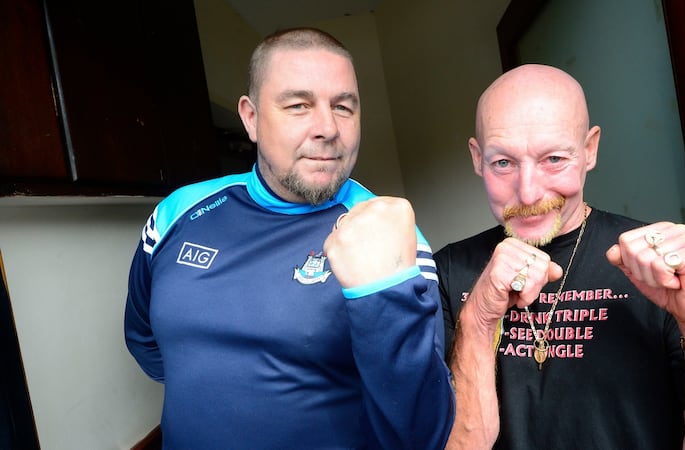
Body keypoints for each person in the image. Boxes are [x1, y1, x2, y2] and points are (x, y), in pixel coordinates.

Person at [124, 27, 454, 449]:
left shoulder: (390, 232)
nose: (328, 128)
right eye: (299, 105)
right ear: (251, 118)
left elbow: (423, 433)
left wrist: (381, 293)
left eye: (344, 107)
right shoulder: (178, 212)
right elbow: (146, 342)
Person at [434, 64, 685, 449]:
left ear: (589, 150)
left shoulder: (663, 268)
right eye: (503, 163)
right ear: (477, 157)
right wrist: (479, 319)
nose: (529, 192)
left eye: (553, 159)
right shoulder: (448, 272)